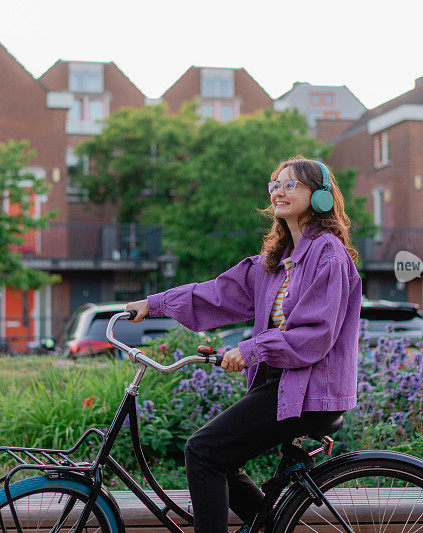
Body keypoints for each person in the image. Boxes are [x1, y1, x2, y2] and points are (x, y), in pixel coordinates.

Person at [126, 155, 362, 533]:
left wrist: (251, 349)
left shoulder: (328, 254)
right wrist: (152, 305)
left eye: (291, 184)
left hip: (311, 391)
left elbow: (315, 334)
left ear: (320, 198)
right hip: (285, 385)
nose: (279, 191)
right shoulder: (277, 260)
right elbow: (218, 293)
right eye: (275, 184)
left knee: (203, 452)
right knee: (216, 455)